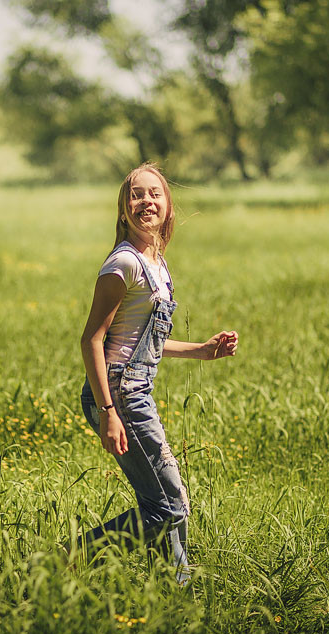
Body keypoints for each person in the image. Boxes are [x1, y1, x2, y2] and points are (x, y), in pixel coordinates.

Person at [77, 163, 238, 585]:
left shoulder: (156, 263)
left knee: (166, 502)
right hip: (118, 395)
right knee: (169, 505)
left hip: (133, 393)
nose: (145, 201)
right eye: (136, 194)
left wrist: (201, 351)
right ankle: (63, 563)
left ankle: (172, 595)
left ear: (168, 207)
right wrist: (108, 412)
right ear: (123, 208)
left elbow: (140, 340)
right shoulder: (123, 264)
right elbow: (93, 340)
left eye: (154, 194)